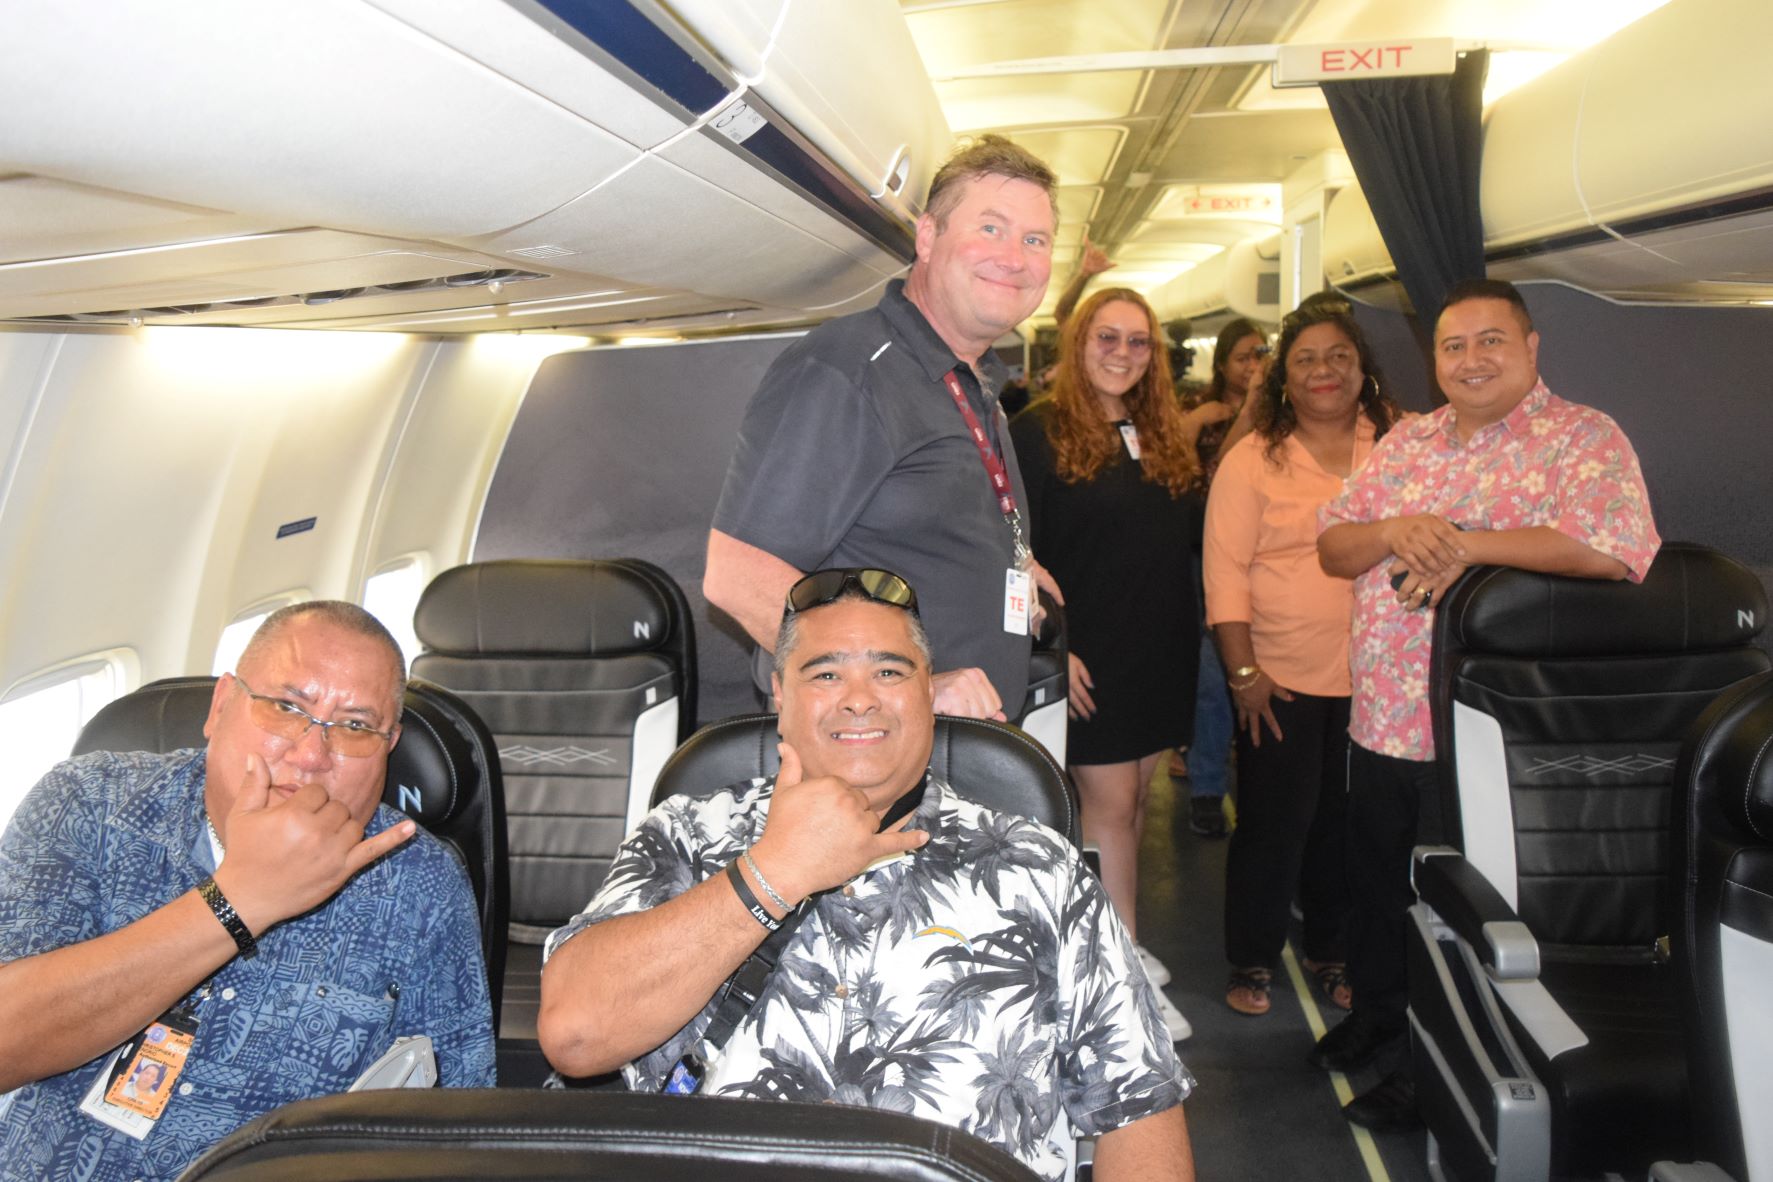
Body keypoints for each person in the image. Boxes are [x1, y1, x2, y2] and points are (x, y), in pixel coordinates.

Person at [538, 569, 1196, 1182]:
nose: (858, 700)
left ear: (926, 690)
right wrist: (771, 875)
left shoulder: (1038, 870)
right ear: (778, 693)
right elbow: (575, 1035)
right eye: (824, 675)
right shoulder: (686, 835)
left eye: (889, 671)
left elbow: (1138, 1110)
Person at [1314, 278, 1661, 1129]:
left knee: (1451, 911)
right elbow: (1332, 545)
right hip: (1383, 721)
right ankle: (1377, 1021)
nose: (1469, 360)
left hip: (1486, 740)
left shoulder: (1580, 438)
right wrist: (1395, 530)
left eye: (1489, 341)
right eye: (1452, 346)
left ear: (1531, 347)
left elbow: (1611, 551)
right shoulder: (1408, 440)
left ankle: (1429, 1070)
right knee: (1377, 892)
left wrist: (1464, 547)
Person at [0, 601, 496, 1181]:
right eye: (287, 707)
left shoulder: (420, 881)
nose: (311, 755)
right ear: (221, 706)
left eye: (357, 726)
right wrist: (236, 902)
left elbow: (459, 1127)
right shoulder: (91, 804)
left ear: (390, 745)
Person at [706, 135, 1064, 722]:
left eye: (1035, 240)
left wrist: (1008, 558)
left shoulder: (975, 382)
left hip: (954, 750)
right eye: (991, 229)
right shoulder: (847, 370)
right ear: (927, 237)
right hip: (868, 754)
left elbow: (912, 523)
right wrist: (910, 687)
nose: (1015, 257)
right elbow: (739, 577)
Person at [1009, 286, 1216, 1041]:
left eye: (1136, 342)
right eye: (1107, 338)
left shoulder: (1160, 433)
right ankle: (1117, 974)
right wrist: (1048, 651)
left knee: (1130, 807)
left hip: (1157, 648)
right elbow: (1009, 555)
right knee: (1107, 811)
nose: (1122, 354)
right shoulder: (1034, 433)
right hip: (1086, 656)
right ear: (1078, 344)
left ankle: (1118, 943)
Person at [1204, 302, 1398, 1018]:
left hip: (1380, 681)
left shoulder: (1397, 444)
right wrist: (1243, 672)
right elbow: (1223, 574)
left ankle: (1331, 948)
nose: (1323, 371)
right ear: (1284, 378)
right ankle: (1251, 958)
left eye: (1337, 357)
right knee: (1272, 824)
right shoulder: (1253, 458)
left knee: (1344, 826)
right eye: (1306, 360)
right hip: (1278, 677)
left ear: (1361, 369)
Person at [1174, 318, 1271, 838]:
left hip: (1266, 558)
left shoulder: (1287, 409)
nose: (1252, 366)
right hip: (1208, 555)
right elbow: (1209, 483)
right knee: (1214, 674)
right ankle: (1208, 787)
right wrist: (1249, 407)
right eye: (1242, 357)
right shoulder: (1201, 413)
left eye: (1260, 356)